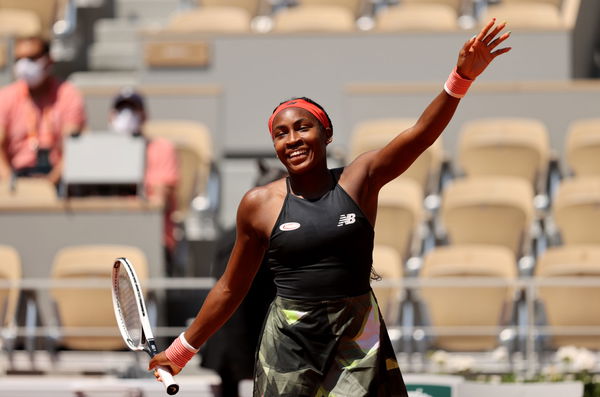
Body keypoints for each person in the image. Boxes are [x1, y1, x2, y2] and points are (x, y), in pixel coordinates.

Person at [150, 19, 511, 396]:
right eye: (281, 133)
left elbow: (420, 134)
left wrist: (460, 79)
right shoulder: (258, 204)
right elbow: (229, 288)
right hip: (289, 341)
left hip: (358, 335)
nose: (292, 140)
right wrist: (179, 352)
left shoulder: (361, 177)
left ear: (326, 134)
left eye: (303, 128)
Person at [0, 36, 86, 185]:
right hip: (16, 176)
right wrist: (9, 181)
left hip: (57, 179)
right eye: (19, 59)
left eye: (32, 58)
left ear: (48, 61)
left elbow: (73, 147)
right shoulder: (6, 96)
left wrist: (51, 182)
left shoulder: (68, 94)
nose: (24, 65)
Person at [109, 88, 180, 263]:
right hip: (110, 233)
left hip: (152, 238)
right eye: (121, 110)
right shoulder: (100, 152)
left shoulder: (162, 148)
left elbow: (158, 201)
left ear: (144, 115)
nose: (127, 115)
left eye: (133, 110)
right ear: (111, 116)